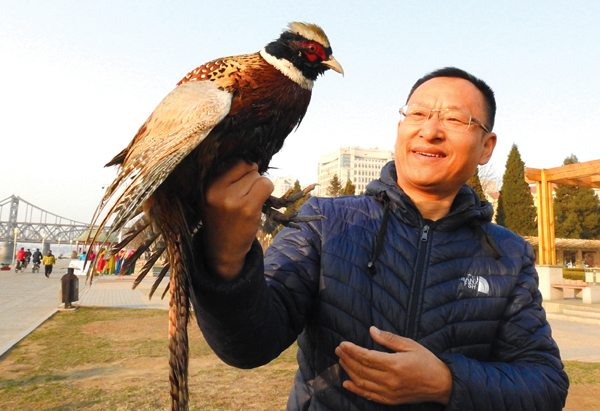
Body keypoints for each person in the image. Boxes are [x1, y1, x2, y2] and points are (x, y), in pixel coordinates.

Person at [190, 67, 569, 410]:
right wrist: (226, 261)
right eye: (417, 114)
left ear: (487, 147)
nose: (430, 130)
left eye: (455, 118)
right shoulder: (326, 219)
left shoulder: (507, 253)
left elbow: (546, 384)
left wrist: (446, 382)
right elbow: (249, 345)